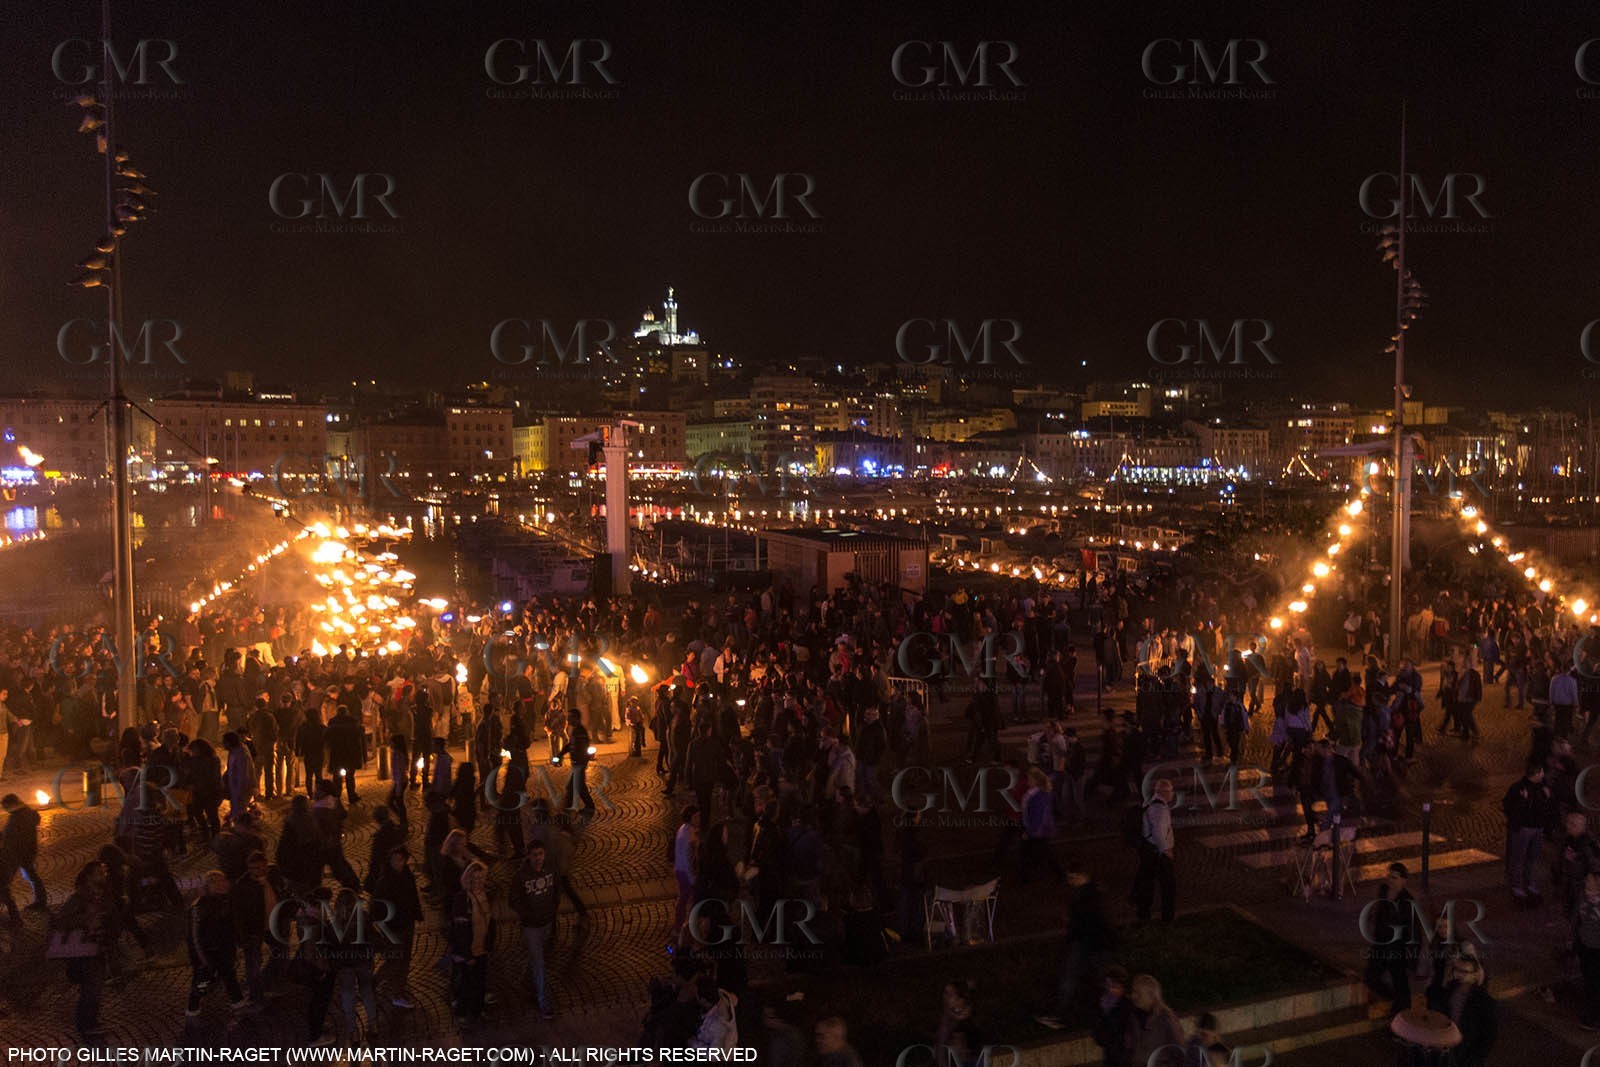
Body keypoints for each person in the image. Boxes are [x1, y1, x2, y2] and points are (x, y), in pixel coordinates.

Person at [1035, 863, 1114, 1029]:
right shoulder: (1088, 893)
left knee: (1080, 979)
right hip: (1090, 944)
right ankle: (1071, 1014)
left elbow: (1092, 921)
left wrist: (1073, 927)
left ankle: (1066, 1015)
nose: (1070, 881)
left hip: (1090, 944)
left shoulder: (1089, 895)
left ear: (1083, 876)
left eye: (1073, 877)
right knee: (1087, 979)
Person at [510, 841, 559, 1020]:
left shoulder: (551, 870)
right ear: (529, 856)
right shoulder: (521, 876)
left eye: (541, 854)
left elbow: (556, 892)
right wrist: (528, 915)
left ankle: (527, 983)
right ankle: (543, 1001)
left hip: (547, 922)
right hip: (531, 927)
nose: (538, 858)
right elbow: (513, 900)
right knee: (539, 963)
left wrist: (552, 910)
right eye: (535, 855)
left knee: (538, 958)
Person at [1424, 944, 1497, 1067]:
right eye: (1457, 969)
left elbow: (1488, 1036)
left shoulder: (1484, 1002)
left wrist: (1475, 1059)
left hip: (1465, 1050)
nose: (1460, 974)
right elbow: (1431, 998)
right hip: (1447, 1044)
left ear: (1475, 976)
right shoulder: (1449, 990)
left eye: (1465, 971)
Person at [186, 870, 246, 1017]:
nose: (219, 884)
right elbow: (194, 936)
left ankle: (237, 1001)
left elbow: (233, 925)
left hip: (225, 949)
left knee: (229, 975)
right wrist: (202, 960)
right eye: (213, 881)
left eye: (221, 880)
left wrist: (239, 942)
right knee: (202, 980)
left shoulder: (227, 900)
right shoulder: (199, 907)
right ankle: (193, 1005)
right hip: (208, 953)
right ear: (206, 886)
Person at [368, 845, 421, 1010]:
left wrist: (415, 913)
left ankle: (378, 983)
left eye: (400, 860)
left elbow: (412, 896)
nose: (398, 863)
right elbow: (377, 908)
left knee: (401, 959)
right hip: (394, 928)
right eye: (394, 860)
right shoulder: (385, 882)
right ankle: (395, 993)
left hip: (406, 924)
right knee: (396, 960)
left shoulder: (406, 875)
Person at [232, 850, 286, 1005]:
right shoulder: (241, 887)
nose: (258, 871)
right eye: (253, 868)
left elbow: (283, 894)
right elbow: (238, 915)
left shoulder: (274, 875)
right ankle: (256, 995)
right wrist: (242, 937)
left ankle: (268, 982)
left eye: (261, 867)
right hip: (254, 931)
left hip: (274, 926)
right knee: (253, 964)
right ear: (248, 868)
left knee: (280, 954)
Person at [1363, 862, 1416, 1018]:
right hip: (1380, 945)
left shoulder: (1408, 903)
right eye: (1389, 876)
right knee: (1371, 977)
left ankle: (1402, 1012)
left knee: (1400, 982)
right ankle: (1394, 999)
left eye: (1394, 877)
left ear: (1403, 880)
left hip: (1397, 948)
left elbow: (1413, 932)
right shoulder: (1384, 891)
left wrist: (1411, 958)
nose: (1390, 880)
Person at [1503, 762, 1555, 906]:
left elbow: (1546, 809)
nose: (1543, 775)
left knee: (1532, 858)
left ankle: (1529, 883)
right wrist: (1523, 801)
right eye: (1541, 772)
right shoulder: (1518, 788)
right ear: (1537, 774)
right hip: (1523, 829)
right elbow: (1510, 808)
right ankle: (1517, 886)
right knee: (1518, 858)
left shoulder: (1542, 788)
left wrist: (1548, 798)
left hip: (1537, 828)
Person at [449, 860, 493, 1029]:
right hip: (469, 949)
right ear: (468, 880)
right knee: (467, 983)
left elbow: (490, 921)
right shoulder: (462, 900)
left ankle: (477, 1010)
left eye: (481, 878)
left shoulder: (486, 895)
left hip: (482, 947)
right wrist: (467, 954)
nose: (479, 882)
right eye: (475, 879)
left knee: (480, 982)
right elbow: (459, 931)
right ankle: (463, 1013)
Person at [1134, 778, 1177, 923]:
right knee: (1168, 885)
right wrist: (1166, 851)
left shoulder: (1149, 802)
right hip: (1158, 853)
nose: (1173, 794)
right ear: (1164, 792)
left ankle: (1143, 912)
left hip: (1148, 850)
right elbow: (1158, 833)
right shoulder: (1160, 809)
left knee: (1147, 882)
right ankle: (1167, 917)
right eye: (1171, 791)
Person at [0, 793, 46, 920]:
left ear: (11, 805)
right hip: (26, 852)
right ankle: (41, 900)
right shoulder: (27, 812)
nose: (5, 810)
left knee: (5, 883)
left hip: (18, 854)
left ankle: (39, 902)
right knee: (29, 876)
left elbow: (10, 839)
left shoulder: (16, 820)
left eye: (6, 807)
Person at [1125, 973, 1185, 1067]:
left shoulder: (1166, 1018)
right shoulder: (1133, 1017)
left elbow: (1179, 1052)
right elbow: (1129, 1049)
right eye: (1133, 992)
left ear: (1151, 995)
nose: (1133, 996)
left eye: (1138, 993)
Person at [1573, 871, 1600, 1030]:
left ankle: (1594, 1017)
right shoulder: (1583, 898)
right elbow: (1576, 919)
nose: (1587, 882)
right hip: (1585, 945)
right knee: (1589, 978)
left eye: (1590, 880)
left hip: (1597, 949)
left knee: (1595, 982)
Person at [325, 704, 365, 804]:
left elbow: (326, 739)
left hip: (337, 754)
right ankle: (351, 795)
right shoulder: (353, 724)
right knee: (350, 776)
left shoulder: (332, 724)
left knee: (337, 777)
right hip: (350, 754)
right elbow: (359, 739)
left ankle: (337, 796)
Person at [672, 805, 701, 938]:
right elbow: (690, 860)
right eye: (696, 817)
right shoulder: (689, 836)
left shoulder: (683, 830)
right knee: (687, 900)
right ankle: (683, 928)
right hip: (685, 872)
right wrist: (693, 878)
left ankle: (680, 927)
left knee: (683, 900)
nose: (699, 819)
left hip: (680, 869)